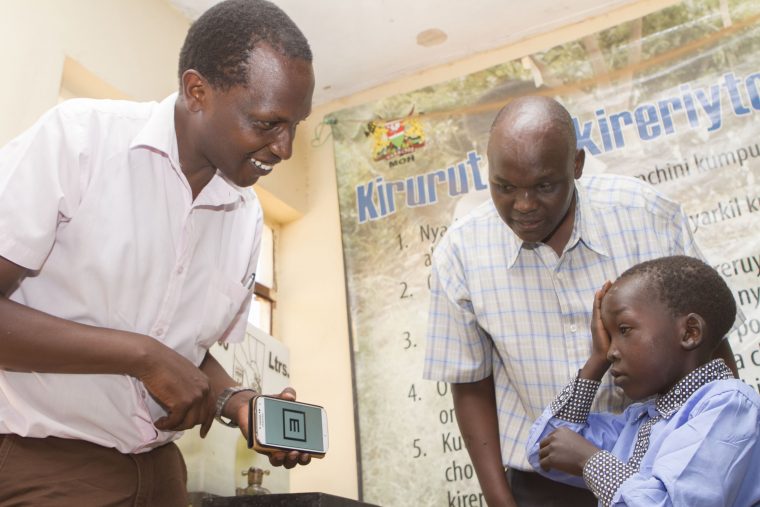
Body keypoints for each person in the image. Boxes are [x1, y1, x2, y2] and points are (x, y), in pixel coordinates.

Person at [0, 0, 315, 505]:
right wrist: (140, 356)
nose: (286, 148)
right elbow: (157, 354)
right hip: (46, 464)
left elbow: (185, 354)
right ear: (197, 92)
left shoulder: (245, 214)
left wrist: (238, 402)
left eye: (295, 124)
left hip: (164, 474)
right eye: (267, 124)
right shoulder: (80, 140)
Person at [423, 95, 737, 506]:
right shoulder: (460, 254)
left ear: (577, 165)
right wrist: (500, 501)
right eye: (504, 187)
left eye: (543, 186)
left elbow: (711, 342)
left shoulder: (645, 214)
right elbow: (470, 386)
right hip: (547, 482)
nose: (524, 205)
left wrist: (731, 451)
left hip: (670, 467)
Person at [526, 255, 759, 506]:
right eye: (608, 337)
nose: (611, 351)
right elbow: (545, 449)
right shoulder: (640, 420)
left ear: (690, 332)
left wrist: (590, 460)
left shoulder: (728, 406)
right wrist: (596, 361)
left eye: (624, 330)